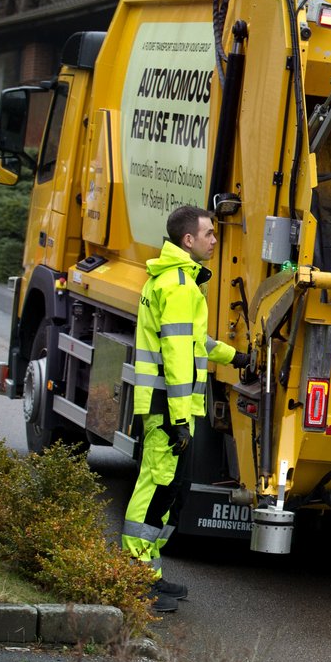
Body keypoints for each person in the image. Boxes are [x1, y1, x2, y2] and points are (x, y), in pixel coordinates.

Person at [122, 205, 251, 613]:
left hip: (166, 405)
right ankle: (134, 579)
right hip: (169, 408)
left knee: (168, 491)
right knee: (156, 489)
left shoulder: (177, 282)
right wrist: (180, 420)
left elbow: (197, 343)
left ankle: (148, 576)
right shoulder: (179, 286)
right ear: (188, 240)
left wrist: (237, 358)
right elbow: (178, 360)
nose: (215, 239)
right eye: (209, 233)